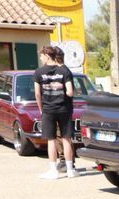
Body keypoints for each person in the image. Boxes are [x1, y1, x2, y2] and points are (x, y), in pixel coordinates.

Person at [34, 45, 78, 179]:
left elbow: (37, 94)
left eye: (41, 56)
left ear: (47, 56)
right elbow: (70, 92)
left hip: (48, 110)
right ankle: (70, 170)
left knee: (51, 140)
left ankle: (53, 171)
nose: (40, 58)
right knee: (66, 139)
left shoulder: (38, 72)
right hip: (64, 109)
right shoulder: (64, 71)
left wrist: (41, 109)